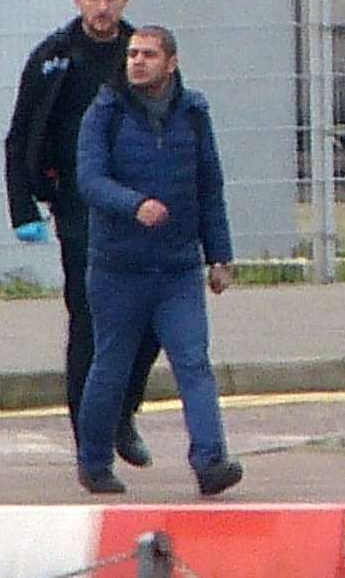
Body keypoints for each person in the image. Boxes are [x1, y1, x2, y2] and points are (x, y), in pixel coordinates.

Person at [74, 25, 242, 496]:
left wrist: (220, 255)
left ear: (172, 63)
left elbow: (209, 186)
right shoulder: (106, 111)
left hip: (177, 269)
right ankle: (94, 461)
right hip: (118, 268)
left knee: (193, 362)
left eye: (149, 54)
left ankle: (211, 462)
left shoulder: (193, 114)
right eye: (132, 54)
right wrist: (134, 204)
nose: (137, 61)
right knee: (113, 364)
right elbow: (89, 179)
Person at [4, 0, 159, 466]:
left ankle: (122, 415)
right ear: (78, 0)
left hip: (138, 209)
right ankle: (89, 436)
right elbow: (20, 135)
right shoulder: (54, 58)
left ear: (125, 0)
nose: (102, 7)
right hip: (78, 206)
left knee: (151, 322)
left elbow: (179, 131)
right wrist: (22, 205)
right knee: (90, 322)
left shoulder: (143, 53)